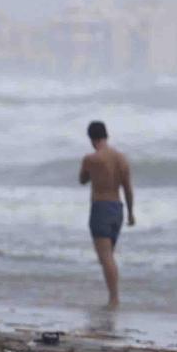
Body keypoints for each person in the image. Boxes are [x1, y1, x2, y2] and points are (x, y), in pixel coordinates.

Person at [77, 120, 134, 308]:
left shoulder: (91, 159)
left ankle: (114, 299)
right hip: (118, 208)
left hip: (100, 207)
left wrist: (90, 172)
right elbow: (127, 188)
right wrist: (131, 213)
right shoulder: (121, 158)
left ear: (91, 138)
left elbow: (82, 180)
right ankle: (113, 296)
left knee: (106, 257)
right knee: (108, 256)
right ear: (106, 135)